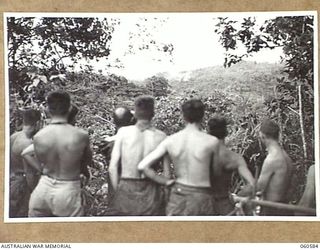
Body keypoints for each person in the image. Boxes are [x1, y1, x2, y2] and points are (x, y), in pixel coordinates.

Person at [138, 99, 221, 216]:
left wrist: (166, 182)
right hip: (202, 196)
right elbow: (217, 173)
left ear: (183, 116)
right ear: (202, 116)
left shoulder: (171, 140)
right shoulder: (212, 142)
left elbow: (142, 166)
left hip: (178, 195)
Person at [28, 90, 92, 217]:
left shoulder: (39, 136)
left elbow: (37, 158)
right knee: (72, 233)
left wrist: (42, 169)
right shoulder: (81, 135)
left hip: (43, 187)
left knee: (36, 233)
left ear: (48, 109)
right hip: (67, 188)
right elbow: (87, 161)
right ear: (69, 108)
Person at [107, 96, 169, 216]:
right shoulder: (162, 137)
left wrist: (117, 194)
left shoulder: (123, 133)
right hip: (151, 191)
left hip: (126, 188)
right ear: (153, 114)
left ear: (134, 114)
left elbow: (112, 168)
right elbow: (167, 174)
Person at [207, 115, 255, 215]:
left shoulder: (201, 156)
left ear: (208, 133)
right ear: (226, 132)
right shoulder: (234, 158)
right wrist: (243, 196)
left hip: (205, 206)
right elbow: (252, 184)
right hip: (225, 206)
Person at [256, 119, 293, 216]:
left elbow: (259, 188)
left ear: (262, 135)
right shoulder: (287, 157)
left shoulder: (272, 159)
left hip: (273, 210)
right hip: (285, 207)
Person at [10, 109, 41, 217]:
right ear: (38, 123)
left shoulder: (14, 136)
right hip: (22, 188)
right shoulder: (27, 145)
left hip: (12, 182)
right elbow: (30, 174)